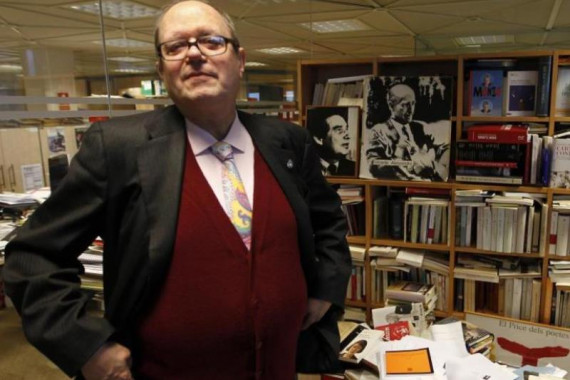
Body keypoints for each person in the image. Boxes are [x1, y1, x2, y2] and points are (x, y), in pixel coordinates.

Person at [4, 1, 351, 379]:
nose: (195, 55)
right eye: (176, 47)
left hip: (278, 365)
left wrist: (326, 288)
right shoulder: (118, 148)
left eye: (212, 41)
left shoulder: (288, 141)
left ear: (240, 60)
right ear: (160, 68)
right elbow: (33, 258)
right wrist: (86, 346)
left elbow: (328, 222)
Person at [366, 83, 449, 181]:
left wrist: (434, 166)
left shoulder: (421, 127)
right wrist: (399, 153)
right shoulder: (378, 132)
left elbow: (446, 149)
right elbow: (374, 166)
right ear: (391, 105)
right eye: (405, 105)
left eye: (413, 103)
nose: (411, 110)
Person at [309, 108, 355, 176]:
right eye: (339, 130)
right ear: (319, 139)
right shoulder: (308, 168)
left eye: (346, 129)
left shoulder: (354, 168)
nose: (348, 136)